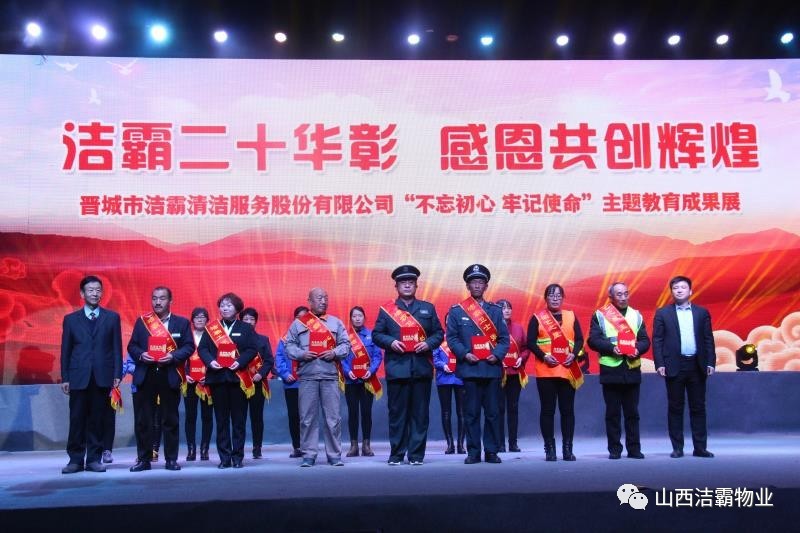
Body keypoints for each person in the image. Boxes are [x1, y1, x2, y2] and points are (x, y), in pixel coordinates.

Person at [373, 265, 444, 466]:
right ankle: (396, 454)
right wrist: (391, 342)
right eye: (403, 282)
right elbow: (377, 334)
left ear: (416, 286)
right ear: (396, 286)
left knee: (420, 415)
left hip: (421, 368)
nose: (407, 285)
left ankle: (416, 455)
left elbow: (439, 333)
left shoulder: (428, 308)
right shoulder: (387, 311)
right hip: (397, 369)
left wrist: (428, 344)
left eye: (410, 282)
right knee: (397, 414)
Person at [445, 264, 510, 465]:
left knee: (493, 413)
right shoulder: (457, 311)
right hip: (470, 370)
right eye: (473, 282)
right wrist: (465, 354)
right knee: (471, 413)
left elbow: (504, 339)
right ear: (467, 285)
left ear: (486, 286)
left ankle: (491, 451)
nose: (477, 285)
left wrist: (496, 355)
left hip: (491, 369)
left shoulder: (495, 311)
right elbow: (452, 338)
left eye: (480, 282)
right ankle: (473, 452)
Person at [127, 286, 194, 472]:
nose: (157, 302)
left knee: (170, 420)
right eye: (154, 298)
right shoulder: (142, 322)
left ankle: (171, 459)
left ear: (170, 301)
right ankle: (144, 460)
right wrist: (141, 355)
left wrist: (173, 356)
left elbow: (189, 346)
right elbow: (132, 346)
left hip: (169, 375)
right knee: (144, 421)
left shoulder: (181, 323)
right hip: (146, 375)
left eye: (162, 298)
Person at [60, 275, 122, 474]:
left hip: (102, 376)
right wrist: (65, 377)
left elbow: (116, 348)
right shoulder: (70, 320)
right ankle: (75, 460)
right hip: (78, 376)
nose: (95, 293)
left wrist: (117, 373)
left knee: (97, 419)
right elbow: (66, 350)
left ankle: (94, 459)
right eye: (90, 290)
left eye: (98, 290)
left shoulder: (112, 318)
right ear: (82, 294)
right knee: (77, 419)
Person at [285, 288, 350, 467]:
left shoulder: (335, 322)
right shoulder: (299, 324)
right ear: (310, 301)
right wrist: (301, 354)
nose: (323, 301)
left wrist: (334, 353)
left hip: (330, 375)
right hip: (308, 376)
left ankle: (334, 455)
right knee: (307, 418)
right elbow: (289, 345)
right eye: (319, 298)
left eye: (326, 298)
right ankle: (309, 454)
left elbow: (346, 345)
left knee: (333, 418)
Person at [653, 275, 716, 458]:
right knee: (675, 407)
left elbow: (708, 339)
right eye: (675, 288)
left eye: (683, 287)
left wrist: (710, 361)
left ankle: (700, 448)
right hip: (674, 365)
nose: (679, 290)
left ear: (690, 291)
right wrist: (660, 363)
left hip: (697, 364)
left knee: (698, 407)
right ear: (671, 292)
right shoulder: (663, 313)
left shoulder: (701, 312)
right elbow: (657, 340)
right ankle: (677, 448)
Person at [588, 282, 650, 460]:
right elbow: (593, 340)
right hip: (611, 369)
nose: (623, 297)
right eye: (619, 294)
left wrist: (638, 349)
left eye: (625, 294)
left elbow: (645, 340)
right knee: (613, 413)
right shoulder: (600, 315)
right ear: (611, 297)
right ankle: (614, 449)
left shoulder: (636, 315)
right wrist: (611, 348)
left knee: (632, 413)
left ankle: (634, 449)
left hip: (631, 369)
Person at [198, 293, 258, 468]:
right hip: (217, 379)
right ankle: (224, 458)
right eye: (222, 305)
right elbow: (202, 349)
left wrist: (240, 362)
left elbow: (252, 349)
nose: (224, 308)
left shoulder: (245, 328)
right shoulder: (211, 329)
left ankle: (237, 457)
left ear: (237, 309)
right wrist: (211, 362)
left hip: (238, 380)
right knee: (221, 420)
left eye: (229, 305)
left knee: (239, 421)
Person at [526, 284, 585, 461]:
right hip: (546, 371)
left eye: (558, 295)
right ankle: (549, 449)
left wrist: (574, 354)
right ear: (545, 298)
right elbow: (530, 342)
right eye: (551, 295)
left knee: (567, 411)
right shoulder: (537, 318)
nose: (555, 298)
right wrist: (543, 356)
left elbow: (580, 339)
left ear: (563, 298)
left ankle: (567, 449)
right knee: (547, 411)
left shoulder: (571, 316)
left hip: (567, 369)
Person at [342, 306, 384, 457]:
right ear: (350, 319)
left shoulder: (372, 335)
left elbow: (378, 356)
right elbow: (341, 357)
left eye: (360, 315)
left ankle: (366, 445)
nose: (357, 318)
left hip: (368, 381)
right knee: (352, 413)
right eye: (354, 316)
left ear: (364, 318)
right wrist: (348, 371)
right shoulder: (345, 337)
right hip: (350, 381)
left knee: (366, 413)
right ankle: (353, 446)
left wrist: (370, 371)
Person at [274, 306, 309, 458]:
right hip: (291, 383)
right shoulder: (285, 338)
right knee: (294, 415)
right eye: (299, 318)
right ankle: (297, 447)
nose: (302, 321)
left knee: (308, 416)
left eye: (305, 317)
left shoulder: (312, 338)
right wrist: (285, 373)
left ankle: (308, 446)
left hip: (308, 382)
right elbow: (279, 357)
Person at [240, 307, 275, 459]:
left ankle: (257, 447)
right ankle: (239, 448)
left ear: (256, 321)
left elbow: (269, 360)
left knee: (257, 417)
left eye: (252, 319)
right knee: (239, 418)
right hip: (240, 383)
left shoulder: (263, 339)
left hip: (257, 382)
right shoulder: (235, 339)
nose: (249, 322)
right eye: (246, 319)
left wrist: (260, 374)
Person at [496, 299, 530, 453]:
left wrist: (521, 358)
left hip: (515, 373)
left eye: (509, 308)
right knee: (498, 409)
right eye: (503, 308)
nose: (507, 310)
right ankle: (500, 443)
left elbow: (526, 348)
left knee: (513, 408)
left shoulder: (518, 328)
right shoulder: (492, 329)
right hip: (498, 374)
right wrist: (498, 359)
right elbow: (486, 348)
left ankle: (513, 443)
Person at [184, 307, 214, 461]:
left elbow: (218, 357)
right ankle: (191, 449)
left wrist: (209, 376)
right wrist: (185, 375)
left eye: (203, 317)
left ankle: (204, 449)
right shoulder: (187, 336)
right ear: (192, 320)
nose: (200, 319)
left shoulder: (213, 337)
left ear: (207, 320)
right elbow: (180, 358)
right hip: (189, 382)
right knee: (190, 416)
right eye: (197, 317)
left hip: (207, 382)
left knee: (207, 416)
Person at [432, 341, 466, 454]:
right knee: (446, 412)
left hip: (460, 377)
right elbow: (434, 357)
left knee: (462, 412)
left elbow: (466, 354)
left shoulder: (461, 338)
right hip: (443, 378)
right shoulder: (439, 339)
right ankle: (450, 444)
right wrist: (443, 365)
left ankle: (461, 444)